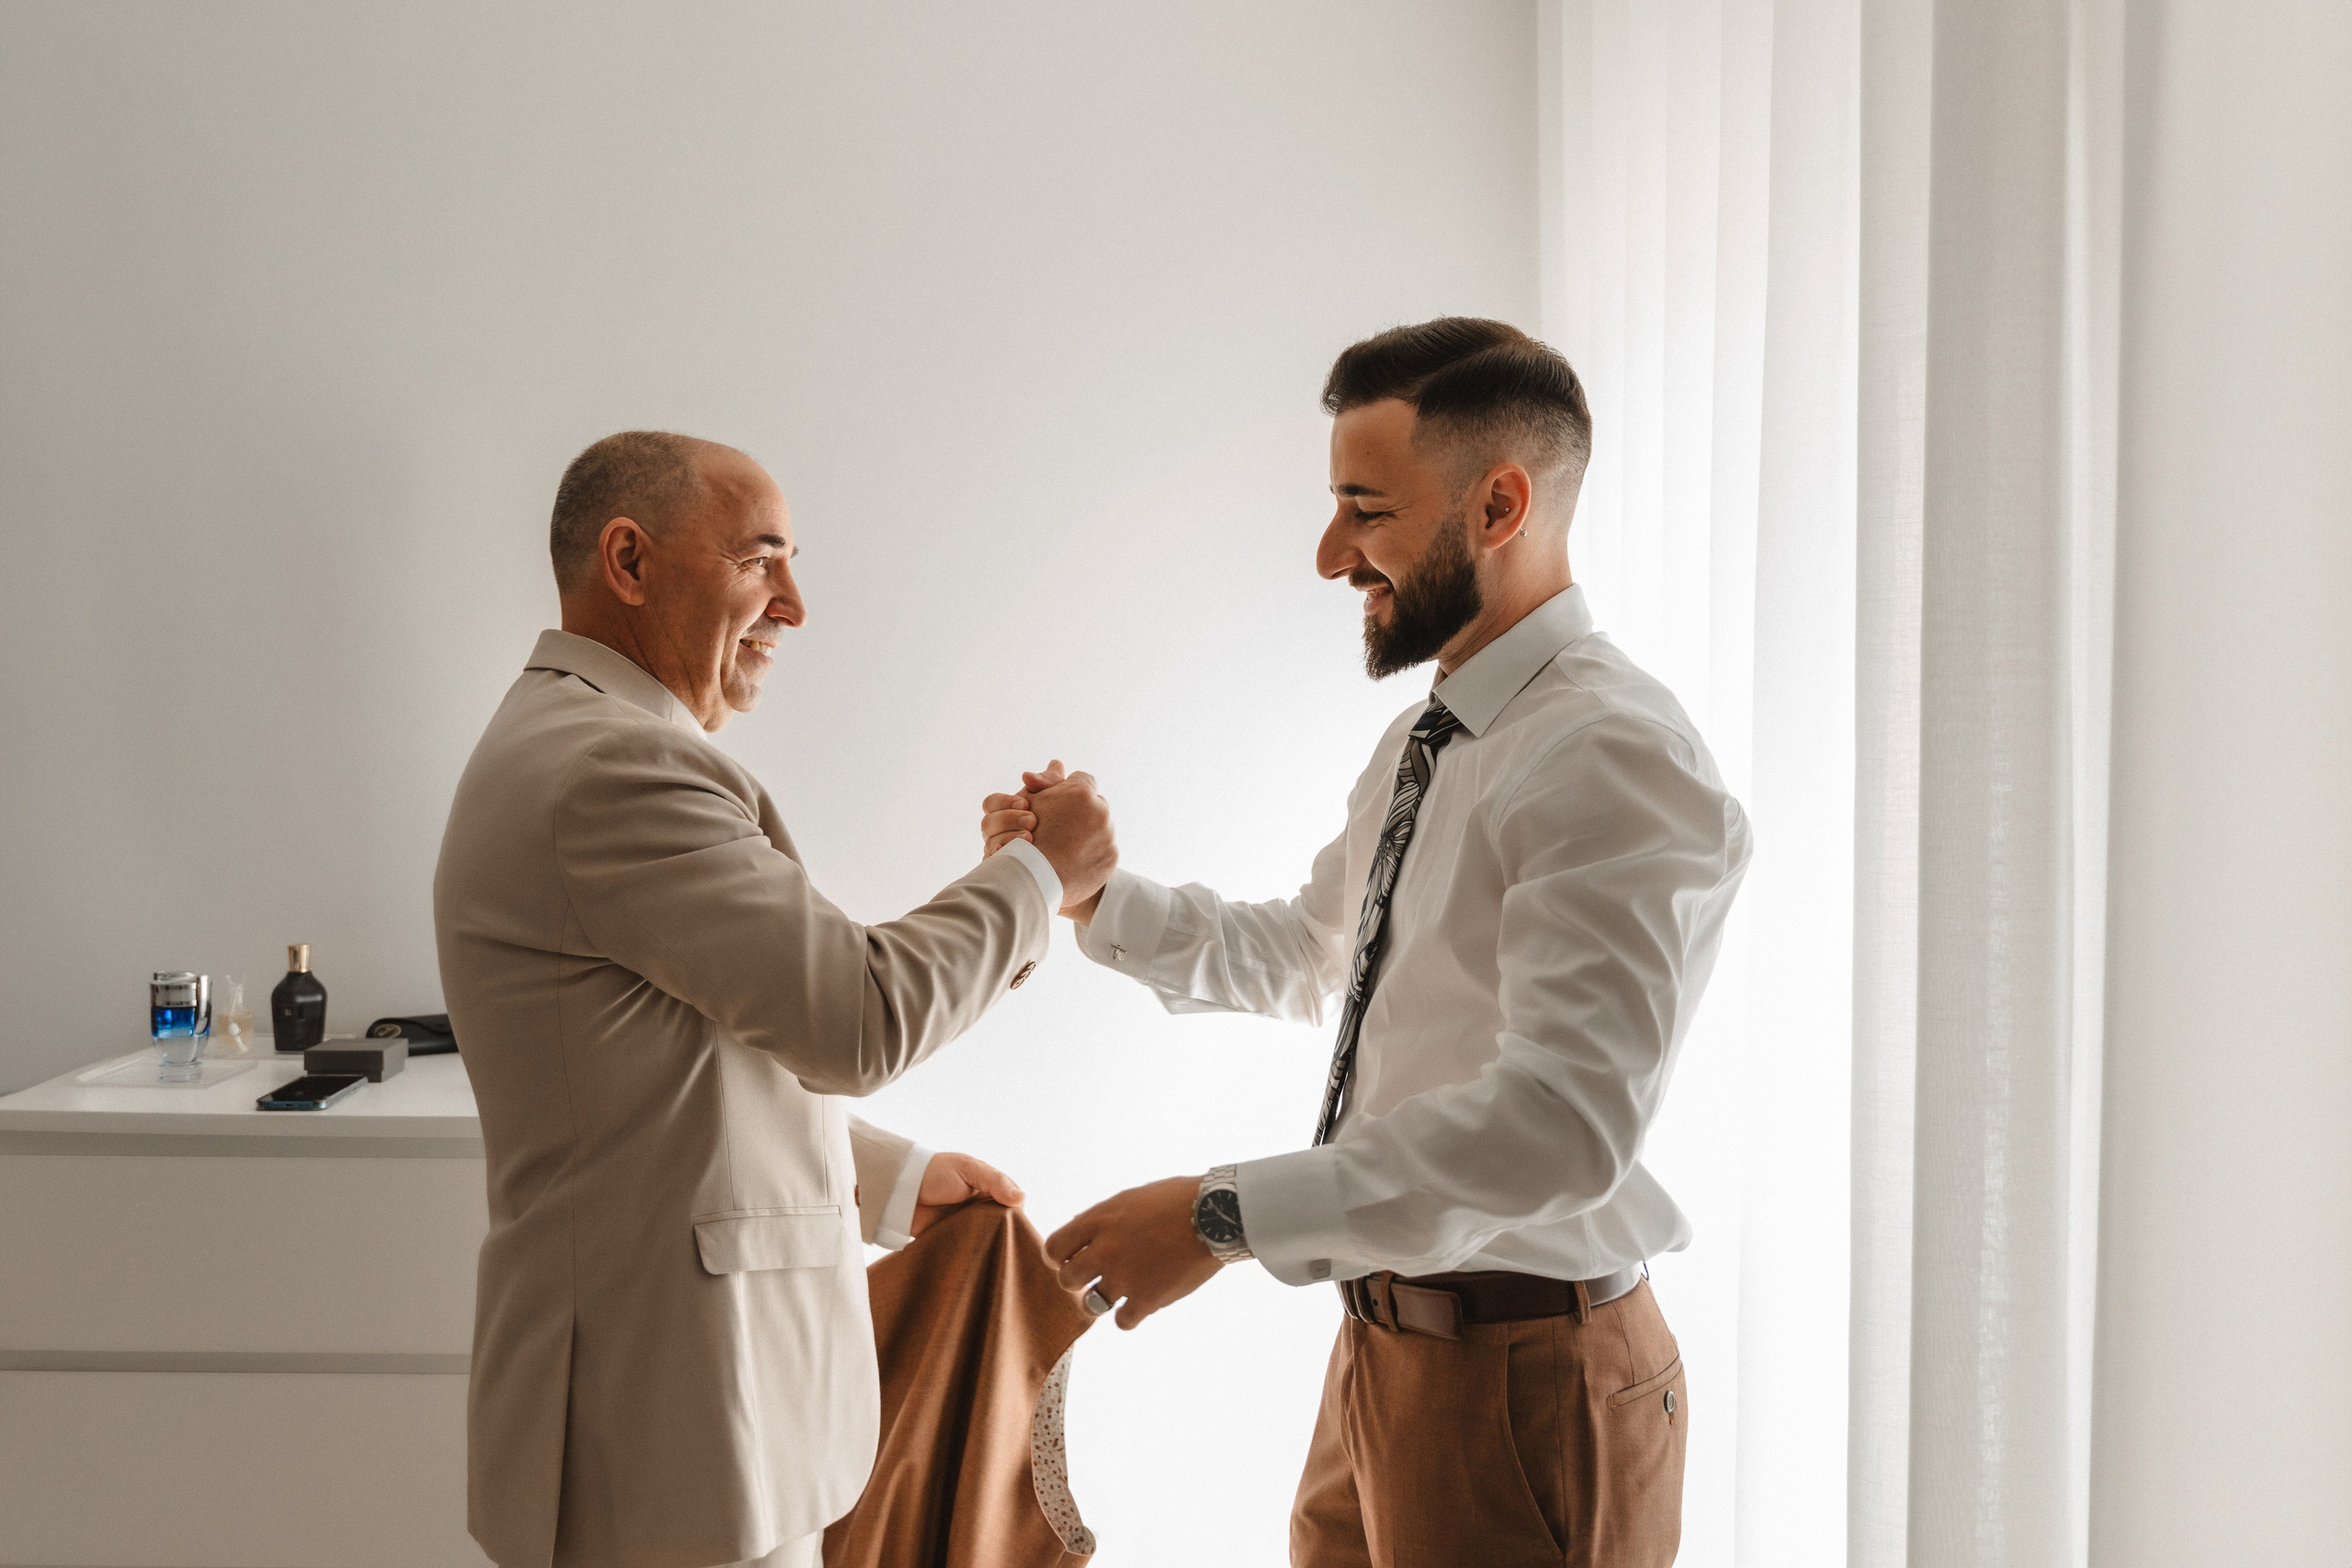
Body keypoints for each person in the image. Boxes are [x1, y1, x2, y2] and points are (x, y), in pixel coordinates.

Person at [989, 321, 1750, 1566]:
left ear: (1498, 505)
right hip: (1384, 1353)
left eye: (1366, 509)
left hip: (1525, 1380)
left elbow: (1558, 1128)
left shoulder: (1610, 754)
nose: (1331, 552)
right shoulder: (1429, 738)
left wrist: (1219, 1216)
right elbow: (1314, 952)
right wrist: (1095, 895)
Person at [435, 431, 1115, 1568]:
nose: (793, 605)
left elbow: (680, 1071)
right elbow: (855, 1019)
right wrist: (1041, 876)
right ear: (629, 561)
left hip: (681, 1425)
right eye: (760, 561)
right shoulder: (615, 770)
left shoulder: (587, 746)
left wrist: (892, 1176)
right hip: (667, 1434)